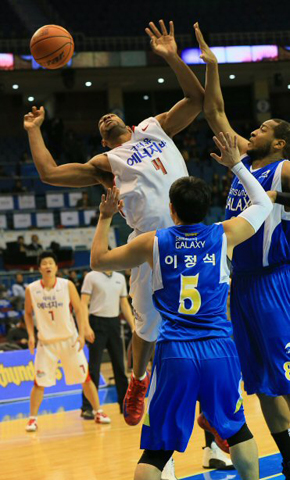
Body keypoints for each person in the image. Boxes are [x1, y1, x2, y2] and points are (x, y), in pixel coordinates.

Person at [23, 20, 204, 430]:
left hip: (193, 233)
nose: (104, 118)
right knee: (148, 328)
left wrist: (172, 56)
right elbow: (50, 173)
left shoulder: (156, 127)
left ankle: (212, 418)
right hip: (148, 245)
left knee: (205, 325)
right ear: (105, 143)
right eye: (100, 127)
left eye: (110, 116)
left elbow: (196, 97)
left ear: (125, 121)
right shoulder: (107, 165)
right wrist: (34, 131)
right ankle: (138, 381)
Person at [88, 131, 273, 480]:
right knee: (238, 430)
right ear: (208, 209)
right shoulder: (225, 234)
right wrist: (236, 164)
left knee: (157, 448)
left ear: (171, 209)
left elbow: (98, 261)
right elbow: (263, 204)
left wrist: (106, 217)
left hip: (175, 351)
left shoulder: (151, 242)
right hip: (219, 348)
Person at [195, 23, 290, 480]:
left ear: (278, 143)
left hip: (276, 280)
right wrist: (211, 65)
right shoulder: (244, 161)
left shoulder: (283, 166)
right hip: (242, 284)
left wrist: (278, 193)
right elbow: (213, 110)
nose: (250, 131)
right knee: (261, 384)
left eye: (261, 129)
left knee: (284, 376)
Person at [24, 251, 110, 432]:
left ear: (56, 267)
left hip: (69, 340)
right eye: (44, 263)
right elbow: (27, 313)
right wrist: (31, 335)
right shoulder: (31, 289)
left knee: (85, 379)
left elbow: (79, 309)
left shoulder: (66, 285)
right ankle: (32, 419)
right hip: (46, 343)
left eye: (51, 263)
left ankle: (98, 411)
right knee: (39, 383)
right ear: (39, 268)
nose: (48, 266)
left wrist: (82, 332)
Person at [80, 268, 134, 417]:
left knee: (120, 366)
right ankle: (88, 407)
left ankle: (125, 406)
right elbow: (83, 303)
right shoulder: (91, 276)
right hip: (96, 323)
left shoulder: (120, 277)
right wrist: (86, 326)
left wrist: (134, 326)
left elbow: (124, 304)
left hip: (114, 323)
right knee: (94, 367)